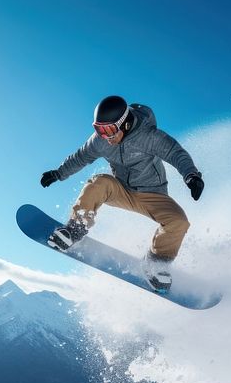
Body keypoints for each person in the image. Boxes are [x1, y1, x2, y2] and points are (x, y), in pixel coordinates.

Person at [39, 95, 204, 291]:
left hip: (153, 194)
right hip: (121, 190)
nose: (105, 136)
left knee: (179, 221)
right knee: (99, 182)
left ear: (124, 123)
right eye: (99, 129)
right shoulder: (100, 141)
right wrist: (59, 173)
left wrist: (191, 176)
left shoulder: (149, 136)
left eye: (109, 129)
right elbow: (81, 156)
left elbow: (176, 153)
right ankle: (75, 229)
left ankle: (156, 263)